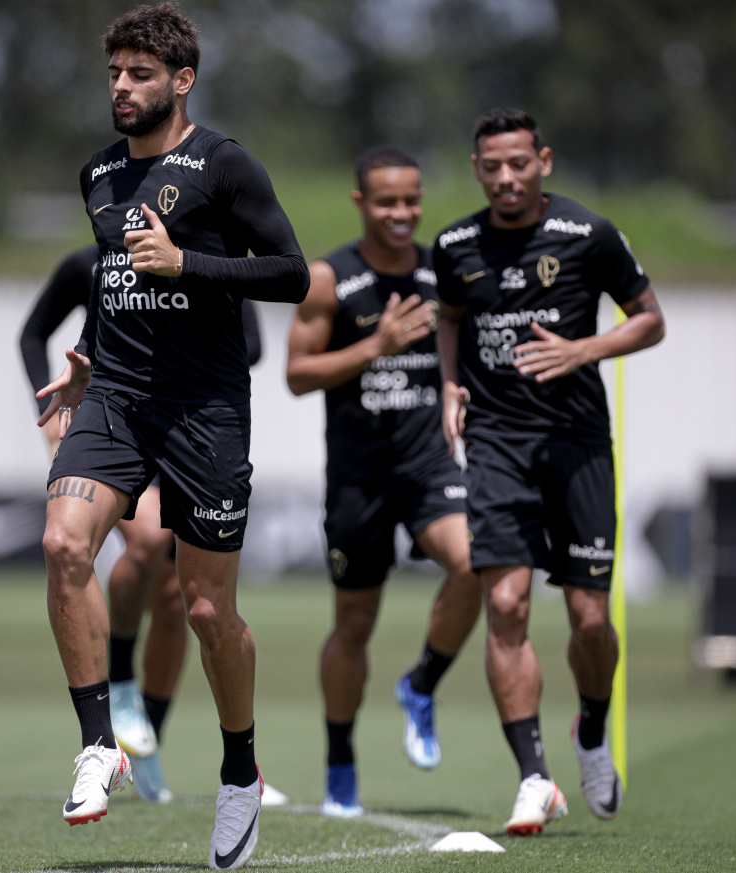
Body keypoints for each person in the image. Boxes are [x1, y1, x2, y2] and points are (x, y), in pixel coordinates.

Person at [36, 4, 309, 869]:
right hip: (115, 398)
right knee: (62, 543)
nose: (121, 86)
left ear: (181, 80)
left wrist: (189, 264)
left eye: (140, 73)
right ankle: (97, 743)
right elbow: (118, 280)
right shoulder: (97, 174)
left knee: (205, 610)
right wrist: (86, 358)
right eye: (114, 71)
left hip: (205, 411)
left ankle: (237, 771)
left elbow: (292, 275)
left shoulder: (223, 166)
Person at [434, 107, 666, 836]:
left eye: (518, 164)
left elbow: (649, 319)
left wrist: (580, 351)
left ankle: (590, 733)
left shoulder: (587, 235)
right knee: (503, 604)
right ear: (476, 169)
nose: (505, 178)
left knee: (589, 619)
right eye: (491, 166)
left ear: (544, 162)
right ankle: (534, 776)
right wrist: (447, 384)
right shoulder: (453, 243)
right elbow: (446, 317)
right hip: (497, 443)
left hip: (576, 443)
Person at [19, 245, 267, 805]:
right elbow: (32, 333)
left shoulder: (206, 252)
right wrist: (55, 407)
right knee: (145, 540)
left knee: (187, 602)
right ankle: (121, 690)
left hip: (192, 424)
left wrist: (179, 333)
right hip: (118, 423)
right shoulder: (90, 259)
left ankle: (147, 741)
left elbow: (252, 343)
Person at [286, 146, 482, 818]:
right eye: (386, 202)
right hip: (357, 478)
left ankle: (420, 684)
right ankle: (339, 760)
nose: (401, 213)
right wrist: (375, 347)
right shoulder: (328, 279)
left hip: (428, 467)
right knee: (353, 624)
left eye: (411, 200)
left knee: (473, 563)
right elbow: (295, 374)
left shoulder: (444, 271)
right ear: (360, 203)